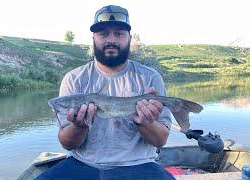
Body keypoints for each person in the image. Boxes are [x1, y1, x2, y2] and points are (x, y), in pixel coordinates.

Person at [36, 5, 175, 180]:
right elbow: (67, 144)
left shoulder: (150, 77)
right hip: (83, 163)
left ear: (129, 38)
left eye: (119, 33)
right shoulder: (73, 79)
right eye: (103, 34)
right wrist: (79, 126)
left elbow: (160, 141)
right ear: (93, 38)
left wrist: (145, 123)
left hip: (139, 164)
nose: (111, 40)